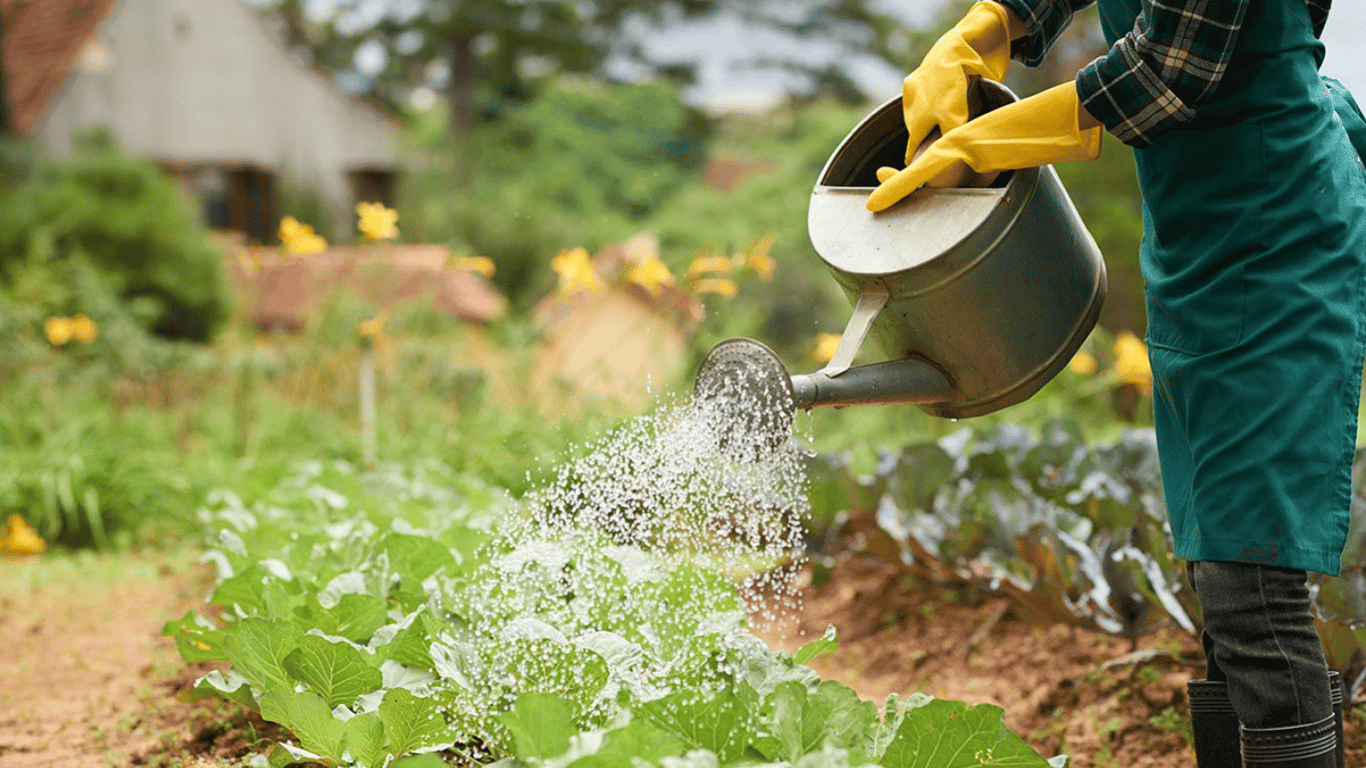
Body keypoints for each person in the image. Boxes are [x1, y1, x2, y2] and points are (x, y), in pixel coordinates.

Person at [870, 0, 1366, 766]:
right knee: (1218, 565)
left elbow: (1163, 73)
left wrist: (991, 139)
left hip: (1278, 234)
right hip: (1198, 233)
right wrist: (988, 26)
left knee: (1252, 583)